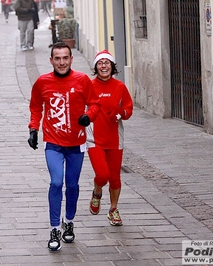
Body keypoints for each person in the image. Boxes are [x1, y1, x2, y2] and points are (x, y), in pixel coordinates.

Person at [27, 42, 100, 251]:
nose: (61, 62)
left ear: (71, 59)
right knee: (57, 182)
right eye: (57, 58)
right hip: (53, 143)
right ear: (51, 61)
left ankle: (69, 221)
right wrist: (33, 129)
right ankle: (54, 228)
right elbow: (35, 106)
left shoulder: (82, 80)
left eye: (65, 58)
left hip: (76, 142)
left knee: (73, 186)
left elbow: (94, 103)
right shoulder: (42, 82)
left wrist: (89, 116)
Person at [87, 50, 133, 226]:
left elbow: (128, 109)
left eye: (107, 63)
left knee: (114, 178)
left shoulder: (120, 87)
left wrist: (120, 113)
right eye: (100, 63)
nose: (104, 66)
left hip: (115, 139)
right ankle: (97, 191)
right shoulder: (89, 86)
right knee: (102, 175)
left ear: (112, 67)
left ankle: (113, 209)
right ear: (96, 67)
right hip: (94, 139)